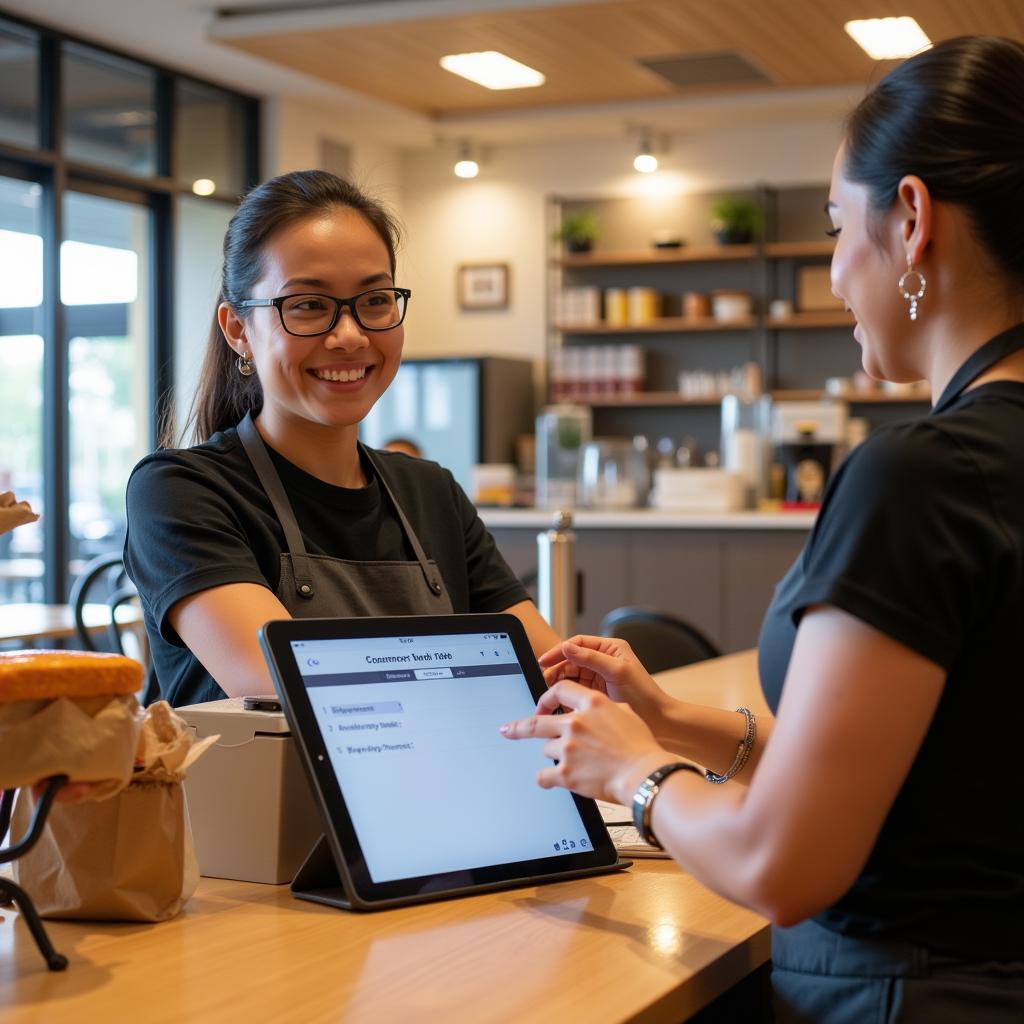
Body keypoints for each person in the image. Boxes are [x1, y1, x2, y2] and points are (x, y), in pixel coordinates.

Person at [502, 36, 1024, 1022]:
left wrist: (634, 772)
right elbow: (949, 756)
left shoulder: (923, 475)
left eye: (836, 226)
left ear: (910, 219)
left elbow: (783, 863)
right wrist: (666, 715)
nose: (832, 273)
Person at [124, 171, 558, 707]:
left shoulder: (430, 492)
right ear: (238, 330)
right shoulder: (181, 491)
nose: (350, 335)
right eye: (307, 305)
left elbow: (546, 672)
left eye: (375, 300)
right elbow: (284, 680)